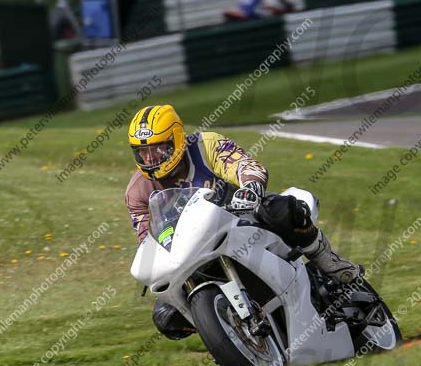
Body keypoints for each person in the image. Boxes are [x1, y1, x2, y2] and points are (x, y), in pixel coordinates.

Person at [125, 104, 360, 340]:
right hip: (192, 252)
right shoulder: (137, 192)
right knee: (165, 316)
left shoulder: (205, 146)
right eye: (142, 152)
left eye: (159, 149)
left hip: (242, 219)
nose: (150, 158)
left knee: (283, 210)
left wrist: (250, 186)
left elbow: (243, 165)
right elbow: (148, 238)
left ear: (176, 139)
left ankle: (331, 264)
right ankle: (226, 330)